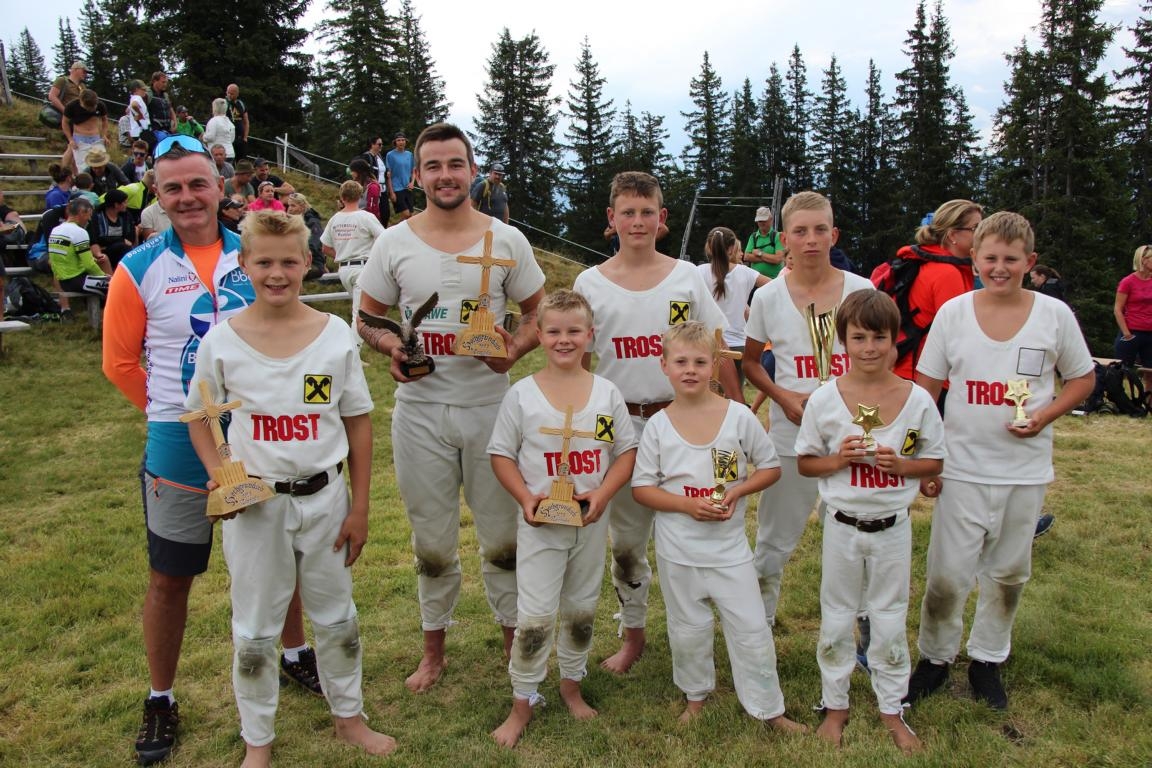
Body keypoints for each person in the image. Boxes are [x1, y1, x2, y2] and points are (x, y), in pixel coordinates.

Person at [102, 135, 316, 765]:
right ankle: (160, 697)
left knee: (281, 554)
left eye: (198, 183)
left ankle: (295, 653)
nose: (187, 197)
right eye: (173, 188)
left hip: (260, 430)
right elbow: (119, 363)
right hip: (178, 439)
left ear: (219, 186)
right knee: (171, 576)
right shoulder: (138, 267)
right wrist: (174, 414)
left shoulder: (252, 252)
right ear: (158, 195)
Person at [185, 210, 396, 766]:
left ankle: (349, 718)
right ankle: (258, 740)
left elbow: (357, 422)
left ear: (307, 262)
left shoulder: (335, 335)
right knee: (255, 628)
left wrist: (360, 506)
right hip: (258, 506)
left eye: (288, 262)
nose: (276, 274)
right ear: (243, 264)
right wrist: (220, 475)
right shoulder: (222, 341)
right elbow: (200, 418)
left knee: (337, 616)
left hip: (326, 499)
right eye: (263, 263)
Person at [356, 122, 546, 692]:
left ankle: (514, 643)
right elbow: (367, 317)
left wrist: (512, 350)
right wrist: (392, 347)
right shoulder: (394, 242)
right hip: (420, 411)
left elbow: (539, 313)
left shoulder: (506, 240)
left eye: (455, 164)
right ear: (417, 175)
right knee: (432, 540)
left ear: (472, 170)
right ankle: (433, 650)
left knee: (504, 536)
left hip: (490, 408)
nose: (445, 175)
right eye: (434, 166)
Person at [903, 212, 1096, 711]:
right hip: (961, 468)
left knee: (1008, 571)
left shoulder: (1054, 315)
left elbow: (1082, 378)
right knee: (948, 573)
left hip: (1023, 470)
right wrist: (925, 457)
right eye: (990, 258)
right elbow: (926, 389)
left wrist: (1045, 415)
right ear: (974, 259)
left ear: (1030, 262)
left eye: (1011, 259)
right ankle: (935, 658)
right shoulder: (954, 313)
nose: (1000, 268)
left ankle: (987, 658)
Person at [572, 171, 737, 674]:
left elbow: (716, 347)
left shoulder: (686, 276)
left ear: (662, 218)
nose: (638, 221)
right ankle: (634, 633)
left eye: (647, 212)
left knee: (694, 530)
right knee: (627, 540)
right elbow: (579, 365)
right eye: (628, 212)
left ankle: (700, 628)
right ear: (612, 218)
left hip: (682, 419)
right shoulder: (590, 283)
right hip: (620, 425)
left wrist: (734, 408)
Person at [632, 321, 804, 732]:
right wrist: (686, 505)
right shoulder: (658, 426)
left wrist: (737, 491)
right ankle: (695, 696)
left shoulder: (739, 417)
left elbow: (771, 467)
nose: (690, 370)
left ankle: (769, 709)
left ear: (714, 365)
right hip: (678, 550)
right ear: (664, 366)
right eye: (680, 362)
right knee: (688, 628)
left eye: (699, 362)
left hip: (728, 550)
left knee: (751, 629)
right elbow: (642, 488)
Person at [795, 290, 945, 755]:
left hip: (892, 527)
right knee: (837, 614)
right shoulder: (825, 400)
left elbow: (934, 461)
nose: (869, 347)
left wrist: (903, 466)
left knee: (889, 615)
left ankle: (892, 707)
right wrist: (839, 459)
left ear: (895, 339)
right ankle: (834, 703)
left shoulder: (917, 400)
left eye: (879, 337)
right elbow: (805, 463)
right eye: (858, 337)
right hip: (842, 525)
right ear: (843, 341)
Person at [487, 289, 638, 748]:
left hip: (588, 524)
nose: (564, 340)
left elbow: (624, 451)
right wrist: (525, 498)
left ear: (591, 334)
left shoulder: (606, 394)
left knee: (581, 608)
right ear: (538, 334)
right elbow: (501, 454)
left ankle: (572, 684)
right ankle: (523, 700)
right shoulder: (522, 395)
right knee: (535, 614)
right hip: (541, 527)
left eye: (574, 331)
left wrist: (603, 494)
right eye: (553, 331)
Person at [742, 191, 874, 628]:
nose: (811, 239)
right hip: (791, 432)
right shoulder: (768, 298)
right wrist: (782, 396)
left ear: (834, 234)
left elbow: (880, 358)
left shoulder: (862, 291)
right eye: (800, 231)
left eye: (820, 230)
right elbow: (750, 363)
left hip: (855, 432)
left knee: (860, 533)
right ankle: (759, 621)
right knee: (775, 536)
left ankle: (862, 624)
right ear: (785, 239)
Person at [878, 200, 982, 386]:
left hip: (907, 369)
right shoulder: (948, 274)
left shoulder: (926, 262)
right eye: (976, 228)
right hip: (928, 377)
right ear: (952, 235)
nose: (982, 234)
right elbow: (958, 334)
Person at [697, 226, 769, 385]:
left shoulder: (698, 272)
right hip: (738, 345)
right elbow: (777, 287)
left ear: (709, 247)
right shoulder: (746, 272)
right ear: (731, 249)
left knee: (706, 394)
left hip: (706, 345)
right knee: (734, 396)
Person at [321, 180, 384, 349]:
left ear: (342, 197)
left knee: (359, 309)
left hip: (344, 269)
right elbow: (384, 239)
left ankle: (355, 345)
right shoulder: (366, 217)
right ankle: (353, 348)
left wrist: (343, 254)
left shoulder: (335, 219)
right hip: (363, 267)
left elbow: (325, 247)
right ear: (360, 196)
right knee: (360, 312)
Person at [48, 196, 110, 297]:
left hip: (62, 281)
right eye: (89, 215)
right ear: (81, 212)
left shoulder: (56, 230)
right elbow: (89, 265)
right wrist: (103, 276)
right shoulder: (79, 232)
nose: (89, 219)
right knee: (116, 284)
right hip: (78, 280)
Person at [1114, 244, 1152, 398]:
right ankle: (1119, 401)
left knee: (1150, 372)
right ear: (1143, 260)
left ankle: (1148, 404)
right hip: (1132, 331)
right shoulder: (1128, 281)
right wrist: (1126, 333)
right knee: (1121, 369)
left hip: (1150, 333)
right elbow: (1118, 309)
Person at [47, 61, 87, 172]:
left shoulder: (82, 86)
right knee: (73, 147)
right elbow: (52, 96)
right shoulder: (62, 80)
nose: (85, 74)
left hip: (79, 120)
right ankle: (64, 173)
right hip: (68, 119)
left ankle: (74, 175)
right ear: (76, 70)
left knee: (75, 149)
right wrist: (65, 111)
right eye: (83, 71)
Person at [61, 88, 109, 174]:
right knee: (82, 166)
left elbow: (105, 120)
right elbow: (65, 122)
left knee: (100, 163)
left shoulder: (100, 105)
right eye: (88, 107)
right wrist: (70, 139)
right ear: (81, 101)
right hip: (80, 138)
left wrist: (104, 135)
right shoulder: (71, 106)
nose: (91, 109)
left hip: (96, 138)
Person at [88, 188, 136, 269]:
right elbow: (96, 238)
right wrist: (120, 240)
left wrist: (111, 241)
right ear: (116, 205)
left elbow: (131, 238)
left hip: (122, 249)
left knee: (124, 248)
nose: (126, 204)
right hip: (103, 251)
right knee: (123, 247)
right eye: (124, 202)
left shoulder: (126, 216)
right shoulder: (97, 216)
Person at [285, 192, 326, 279]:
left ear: (302, 207)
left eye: (293, 206)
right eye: (289, 206)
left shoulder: (313, 223)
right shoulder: (288, 223)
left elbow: (313, 245)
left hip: (313, 263)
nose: (289, 209)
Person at [743, 206, 784, 278]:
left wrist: (759, 253)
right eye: (759, 221)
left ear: (771, 220)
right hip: (755, 280)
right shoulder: (753, 237)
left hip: (774, 280)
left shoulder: (778, 236)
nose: (761, 223)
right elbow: (746, 257)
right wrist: (769, 259)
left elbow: (778, 259)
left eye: (764, 220)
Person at [386, 132, 415, 221]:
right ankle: (394, 229)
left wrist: (412, 182)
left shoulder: (409, 154)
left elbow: (413, 171)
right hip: (397, 188)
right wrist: (391, 192)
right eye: (398, 140)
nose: (401, 142)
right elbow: (388, 175)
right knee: (406, 214)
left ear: (406, 141)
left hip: (408, 188)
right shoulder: (390, 155)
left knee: (410, 215)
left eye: (403, 140)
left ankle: (395, 229)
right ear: (395, 142)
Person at [349, 159, 383, 226]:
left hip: (368, 223)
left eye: (352, 171)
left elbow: (372, 209)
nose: (351, 173)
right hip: (357, 221)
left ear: (358, 172)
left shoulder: (373, 187)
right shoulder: (357, 185)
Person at [146, 71, 176, 145]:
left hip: (167, 129)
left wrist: (175, 122)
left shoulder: (165, 95)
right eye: (163, 82)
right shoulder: (147, 94)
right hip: (154, 130)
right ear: (154, 81)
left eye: (166, 82)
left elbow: (171, 109)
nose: (165, 84)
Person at [226, 83, 250, 160]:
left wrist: (245, 137)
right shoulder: (224, 103)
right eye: (228, 93)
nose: (229, 95)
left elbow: (246, 121)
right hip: (228, 138)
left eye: (232, 94)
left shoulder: (241, 104)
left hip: (240, 137)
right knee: (230, 158)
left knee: (241, 160)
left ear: (237, 94)